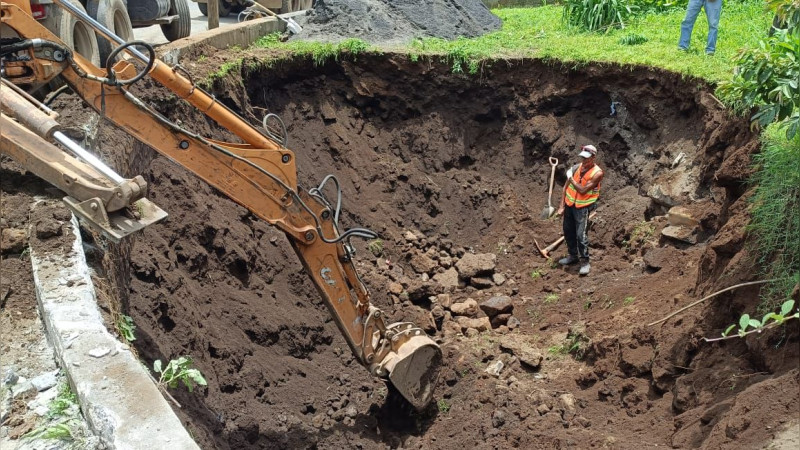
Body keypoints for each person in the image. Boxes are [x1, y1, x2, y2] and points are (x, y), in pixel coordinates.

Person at [556, 145, 604, 276]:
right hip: (570, 205)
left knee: (580, 235)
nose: (583, 160)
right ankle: (572, 256)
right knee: (567, 231)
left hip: (583, 207)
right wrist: (561, 206)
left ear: (594, 157)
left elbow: (583, 190)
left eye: (587, 158)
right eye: (582, 157)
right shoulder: (576, 168)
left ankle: (585, 262)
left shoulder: (597, 173)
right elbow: (565, 188)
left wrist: (571, 178)